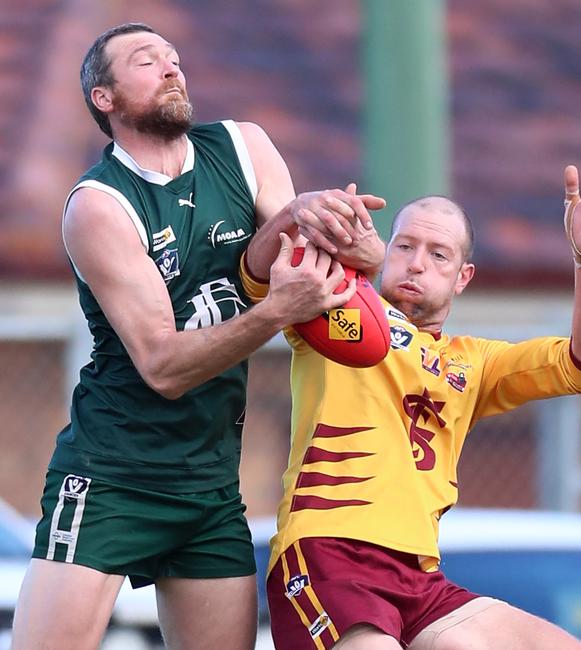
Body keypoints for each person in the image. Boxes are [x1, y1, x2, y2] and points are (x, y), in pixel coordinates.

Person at [11, 22, 386, 650]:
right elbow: (162, 364)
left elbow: (296, 264)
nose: (170, 67)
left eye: (174, 57)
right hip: (112, 473)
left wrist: (351, 243)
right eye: (145, 60)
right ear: (104, 97)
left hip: (209, 481)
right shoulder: (99, 204)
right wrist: (273, 314)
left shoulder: (244, 147)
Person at [242, 149, 581, 649]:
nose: (416, 264)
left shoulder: (475, 362)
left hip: (419, 576)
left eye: (438, 254)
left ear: (463, 277)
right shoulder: (337, 305)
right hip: (328, 555)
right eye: (404, 247)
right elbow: (258, 276)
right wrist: (302, 216)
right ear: (383, 250)